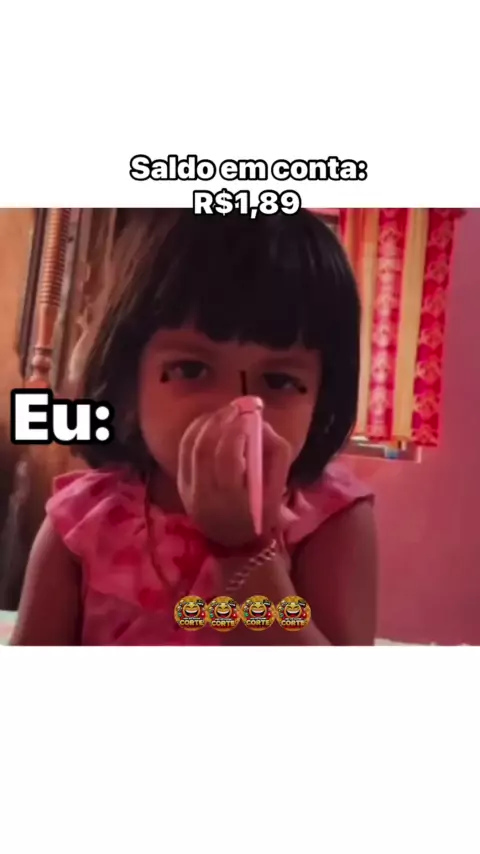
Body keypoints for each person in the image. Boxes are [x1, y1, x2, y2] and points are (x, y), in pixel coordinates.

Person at [12, 209, 378, 646]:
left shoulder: (329, 519)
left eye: (279, 380)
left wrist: (243, 550)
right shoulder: (82, 522)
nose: (236, 407)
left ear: (321, 398)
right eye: (191, 369)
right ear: (129, 381)